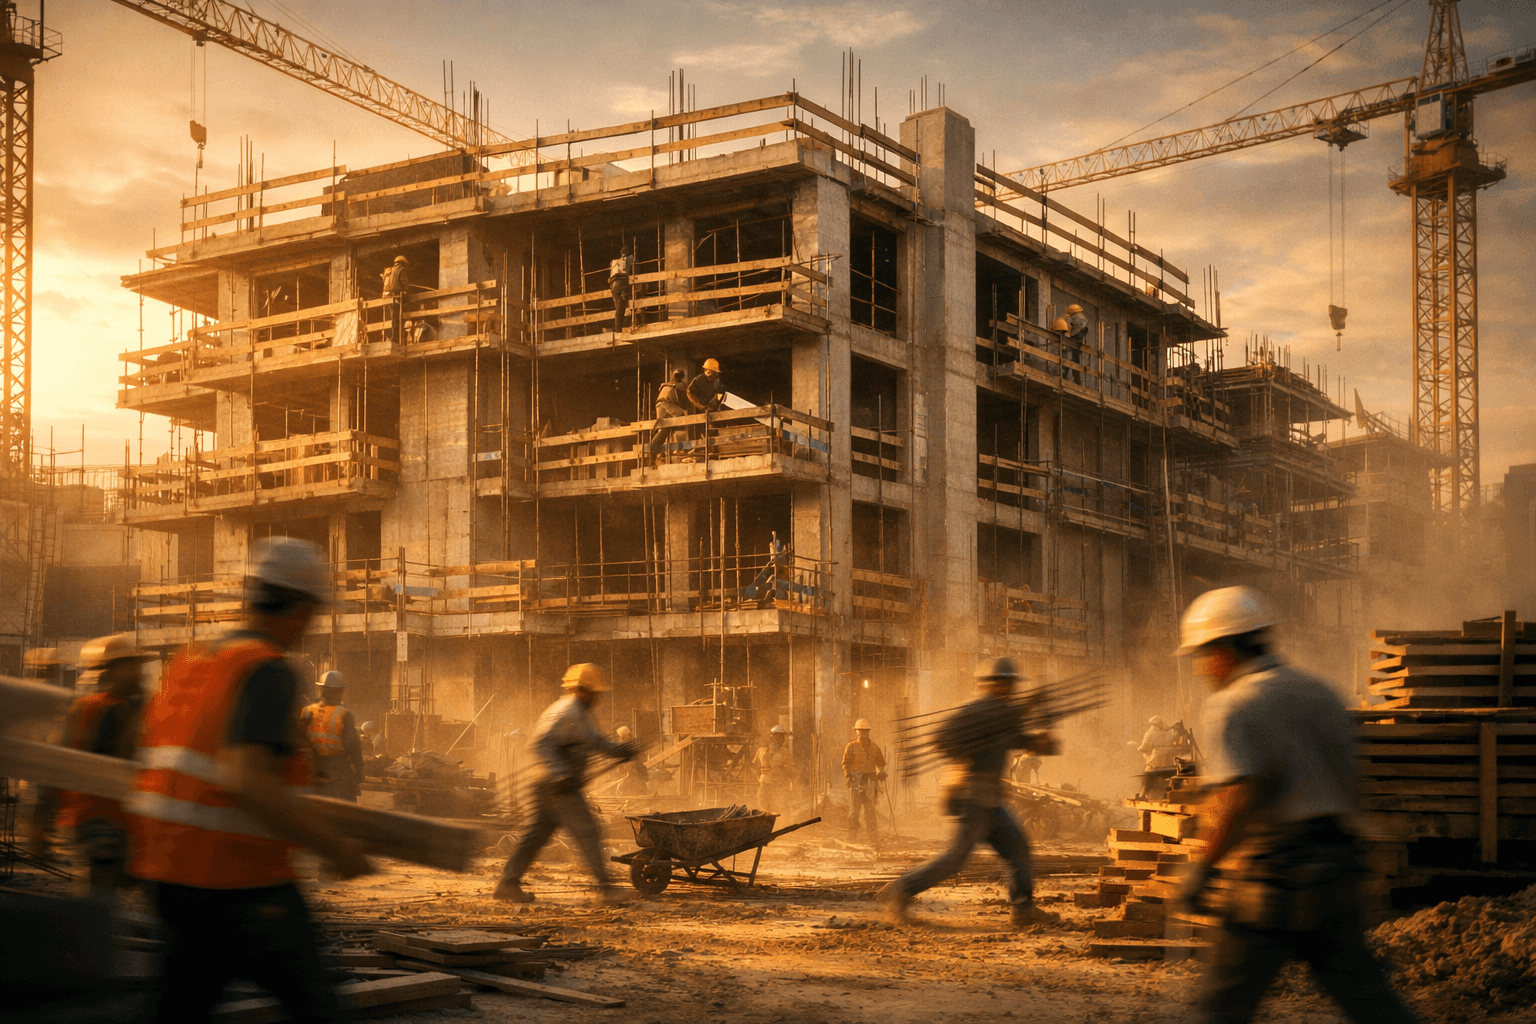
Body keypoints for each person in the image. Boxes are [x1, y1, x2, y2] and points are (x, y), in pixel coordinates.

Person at [126, 537, 372, 1024]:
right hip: (240, 883)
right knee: (316, 1006)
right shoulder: (267, 670)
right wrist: (336, 848)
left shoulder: (192, 662)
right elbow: (248, 780)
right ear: (301, 608)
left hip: (166, 875)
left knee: (178, 1008)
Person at [1173, 586, 1419, 1024]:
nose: (1200, 667)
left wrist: (1203, 869)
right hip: (1340, 878)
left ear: (1224, 648)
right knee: (1373, 1007)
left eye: (1201, 654)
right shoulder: (1321, 693)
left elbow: (1240, 798)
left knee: (1219, 1009)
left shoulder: (1234, 705)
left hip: (1275, 884)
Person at [879, 657, 1062, 929]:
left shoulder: (1004, 718)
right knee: (955, 859)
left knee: (1018, 848)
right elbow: (943, 737)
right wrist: (1029, 706)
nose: (1006, 688)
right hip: (971, 797)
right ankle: (901, 889)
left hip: (992, 800)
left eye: (1009, 684)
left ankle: (1023, 909)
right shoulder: (979, 711)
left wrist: (1042, 741)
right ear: (988, 685)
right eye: (1000, 683)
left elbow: (1020, 739)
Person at [494, 663, 641, 904]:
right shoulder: (566, 712)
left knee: (535, 836)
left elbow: (594, 742)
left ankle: (507, 884)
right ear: (584, 691)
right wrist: (561, 772)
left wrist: (619, 751)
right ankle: (607, 890)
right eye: (596, 694)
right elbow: (540, 743)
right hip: (557, 787)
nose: (597, 699)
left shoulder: (579, 715)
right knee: (589, 831)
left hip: (550, 786)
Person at [30, 634, 153, 901]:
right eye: (132, 666)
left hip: (122, 821)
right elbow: (56, 767)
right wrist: (40, 822)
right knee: (101, 893)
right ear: (113, 670)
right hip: (97, 819)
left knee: (118, 889)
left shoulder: (134, 708)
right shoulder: (89, 710)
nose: (140, 672)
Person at [300, 671, 363, 802]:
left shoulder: (307, 711)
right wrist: (359, 771)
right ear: (340, 691)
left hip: (312, 769)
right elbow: (353, 745)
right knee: (346, 810)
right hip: (338, 769)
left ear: (320, 689)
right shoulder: (345, 714)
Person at [841, 719, 886, 837]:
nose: (863, 734)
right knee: (854, 810)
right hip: (856, 779)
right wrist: (848, 777)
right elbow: (845, 763)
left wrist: (881, 772)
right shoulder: (851, 747)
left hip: (870, 780)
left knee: (870, 809)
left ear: (868, 732)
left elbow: (881, 763)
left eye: (865, 731)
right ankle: (852, 834)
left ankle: (872, 834)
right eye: (861, 731)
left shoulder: (875, 748)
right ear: (857, 732)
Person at [753, 724, 799, 811]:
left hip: (765, 785)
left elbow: (754, 767)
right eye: (780, 736)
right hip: (778, 786)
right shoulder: (784, 752)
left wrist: (759, 779)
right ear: (775, 736)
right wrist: (799, 775)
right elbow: (791, 769)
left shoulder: (761, 750)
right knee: (779, 809)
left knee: (765, 809)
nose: (782, 738)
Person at [648, 368, 689, 458]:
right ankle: (680, 448)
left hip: (659, 405)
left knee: (664, 428)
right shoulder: (680, 385)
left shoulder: (666, 385)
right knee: (681, 419)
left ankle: (654, 449)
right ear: (682, 377)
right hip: (667, 404)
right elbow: (684, 401)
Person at [612, 725, 651, 796]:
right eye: (621, 737)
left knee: (632, 790)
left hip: (636, 773)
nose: (621, 739)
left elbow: (643, 758)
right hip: (631, 773)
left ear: (625, 736)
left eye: (622, 737)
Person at [381, 254, 410, 343]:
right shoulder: (401, 270)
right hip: (396, 299)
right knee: (396, 319)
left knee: (389, 319)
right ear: (402, 263)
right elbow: (405, 284)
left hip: (387, 299)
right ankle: (395, 339)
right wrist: (406, 294)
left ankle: (389, 338)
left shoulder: (389, 271)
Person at [610, 243, 634, 330]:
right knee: (622, 307)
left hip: (614, 286)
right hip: (623, 284)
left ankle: (618, 328)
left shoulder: (613, 262)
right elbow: (635, 262)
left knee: (619, 307)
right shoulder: (628, 259)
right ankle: (618, 329)